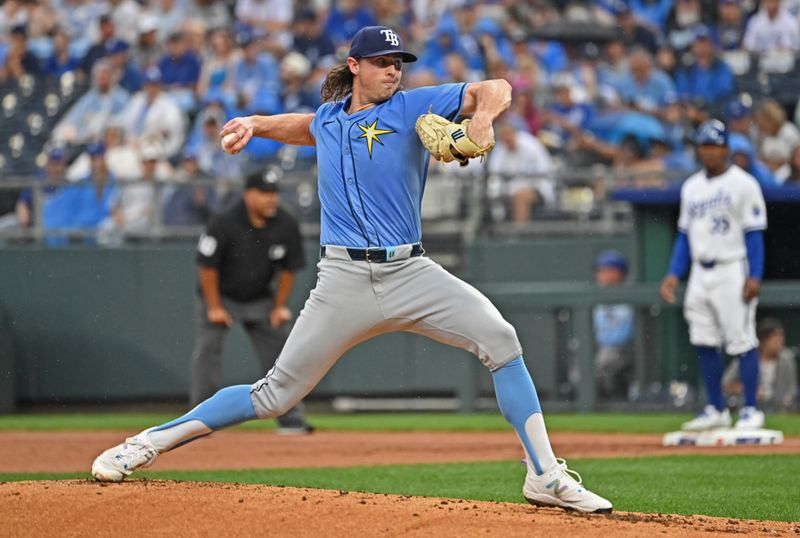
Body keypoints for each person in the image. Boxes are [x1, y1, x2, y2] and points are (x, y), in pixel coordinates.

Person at [91, 25, 612, 514]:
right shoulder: (331, 118)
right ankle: (143, 445)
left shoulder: (413, 106)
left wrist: (480, 119)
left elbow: (496, 86)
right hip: (342, 282)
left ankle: (543, 475)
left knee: (502, 340)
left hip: (412, 272)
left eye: (398, 63)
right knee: (273, 396)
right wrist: (256, 124)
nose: (393, 71)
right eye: (383, 62)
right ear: (355, 65)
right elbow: (306, 126)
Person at [660, 119, 768, 431]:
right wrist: (673, 274)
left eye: (715, 146)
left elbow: (754, 234)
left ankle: (751, 409)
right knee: (703, 339)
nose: (709, 152)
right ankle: (716, 409)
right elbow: (684, 236)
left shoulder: (744, 184)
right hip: (699, 271)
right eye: (704, 146)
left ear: (726, 149)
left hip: (732, 267)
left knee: (741, 339)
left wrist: (755, 275)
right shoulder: (691, 187)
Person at [189, 172, 312, 433]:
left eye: (274, 193)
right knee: (207, 352)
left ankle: (292, 420)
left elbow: (289, 269)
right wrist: (213, 307)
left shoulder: (286, 223)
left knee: (283, 354)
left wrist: (280, 305)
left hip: (259, 297)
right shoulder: (224, 221)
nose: (271, 199)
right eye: (265, 193)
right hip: (220, 295)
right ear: (248, 194)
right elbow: (207, 266)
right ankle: (198, 422)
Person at [723, 318, 798, 412]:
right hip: (750, 405)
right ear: (763, 340)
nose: (780, 342)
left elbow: (792, 388)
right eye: (775, 339)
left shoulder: (787, 358)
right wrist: (748, 389)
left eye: (781, 338)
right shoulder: (748, 358)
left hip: (779, 407)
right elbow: (725, 383)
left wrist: (788, 399)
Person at [592, 250, 634, 400]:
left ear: (621, 273)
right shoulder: (595, 301)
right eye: (602, 271)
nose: (606, 276)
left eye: (610, 271)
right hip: (598, 350)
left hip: (624, 351)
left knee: (607, 359)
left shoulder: (630, 300)